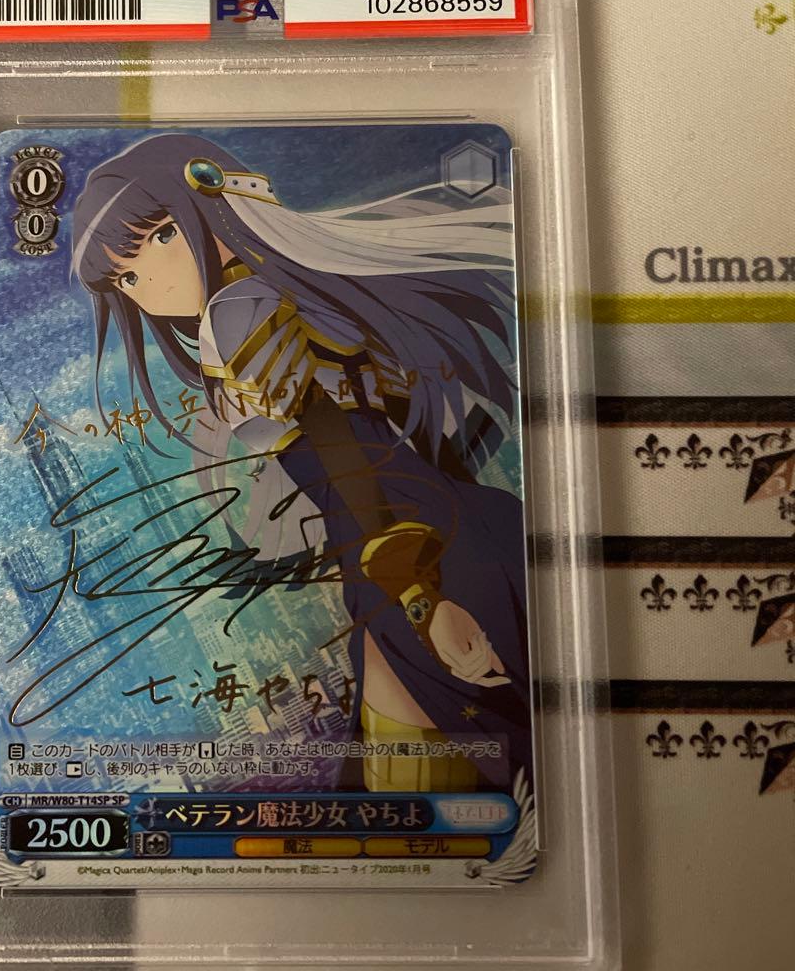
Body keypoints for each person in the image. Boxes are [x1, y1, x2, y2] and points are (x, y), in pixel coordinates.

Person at [70, 132, 530, 792]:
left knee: (426, 775)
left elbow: (343, 451)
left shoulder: (239, 311)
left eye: (161, 237)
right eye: (127, 277)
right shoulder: (282, 298)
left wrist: (420, 601)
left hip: (398, 545)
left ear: (214, 205)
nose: (150, 284)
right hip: (429, 527)